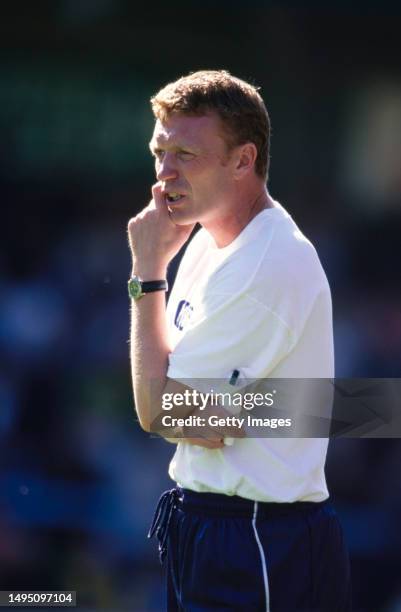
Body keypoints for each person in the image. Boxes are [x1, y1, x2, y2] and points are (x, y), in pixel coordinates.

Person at [127, 70, 351, 611]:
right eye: (160, 151)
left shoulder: (266, 264)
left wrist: (147, 271)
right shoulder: (209, 239)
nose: (164, 175)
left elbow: (160, 410)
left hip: (259, 539)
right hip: (212, 523)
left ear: (243, 161)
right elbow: (181, 406)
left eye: (186, 154)